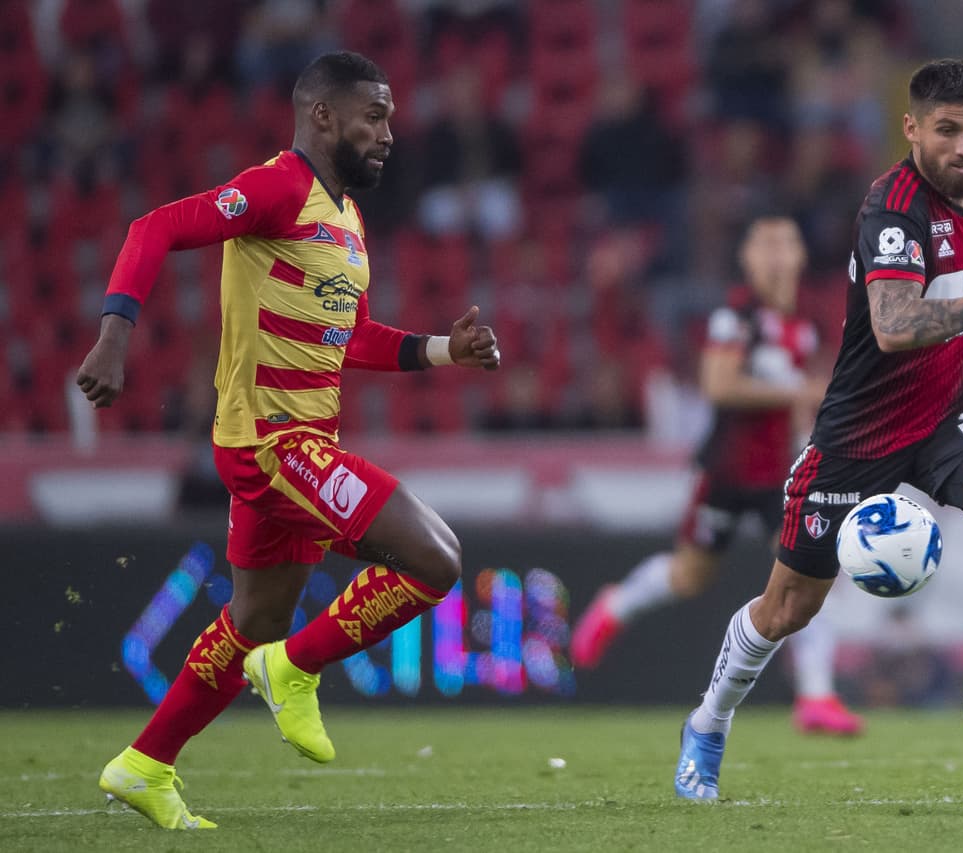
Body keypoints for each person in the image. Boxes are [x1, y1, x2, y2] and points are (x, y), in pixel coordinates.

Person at [77, 51, 500, 830]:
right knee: (436, 559)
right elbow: (156, 226)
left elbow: (354, 336)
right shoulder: (276, 188)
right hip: (273, 445)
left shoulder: (345, 219)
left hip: (295, 445)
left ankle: (143, 763)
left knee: (255, 619)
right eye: (374, 116)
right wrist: (114, 335)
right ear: (322, 116)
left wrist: (445, 349)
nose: (388, 133)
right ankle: (296, 668)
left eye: (392, 119)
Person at [673, 59, 963, 801]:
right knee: (789, 606)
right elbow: (892, 328)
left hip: (948, 406)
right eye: (947, 130)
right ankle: (708, 721)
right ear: (912, 128)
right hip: (861, 427)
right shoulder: (891, 210)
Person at [571, 215, 863, 735]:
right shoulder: (737, 316)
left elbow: (799, 406)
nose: (776, 256)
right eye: (764, 245)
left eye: (785, 244)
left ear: (799, 257)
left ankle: (817, 697)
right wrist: (799, 392)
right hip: (729, 471)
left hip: (781, 476)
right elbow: (719, 385)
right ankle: (615, 604)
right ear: (748, 260)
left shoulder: (803, 325)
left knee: (811, 574)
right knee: (691, 576)